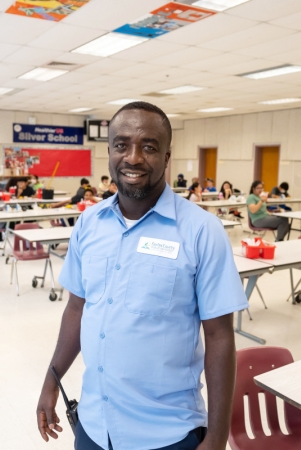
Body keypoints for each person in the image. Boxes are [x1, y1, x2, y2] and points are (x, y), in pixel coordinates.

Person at [36, 101, 247, 450]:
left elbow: (220, 336)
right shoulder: (88, 223)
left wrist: (217, 437)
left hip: (166, 433)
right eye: (122, 145)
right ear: (109, 153)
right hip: (93, 426)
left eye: (148, 146)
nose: (133, 157)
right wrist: (50, 382)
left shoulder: (200, 231)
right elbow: (76, 308)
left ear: (166, 158)